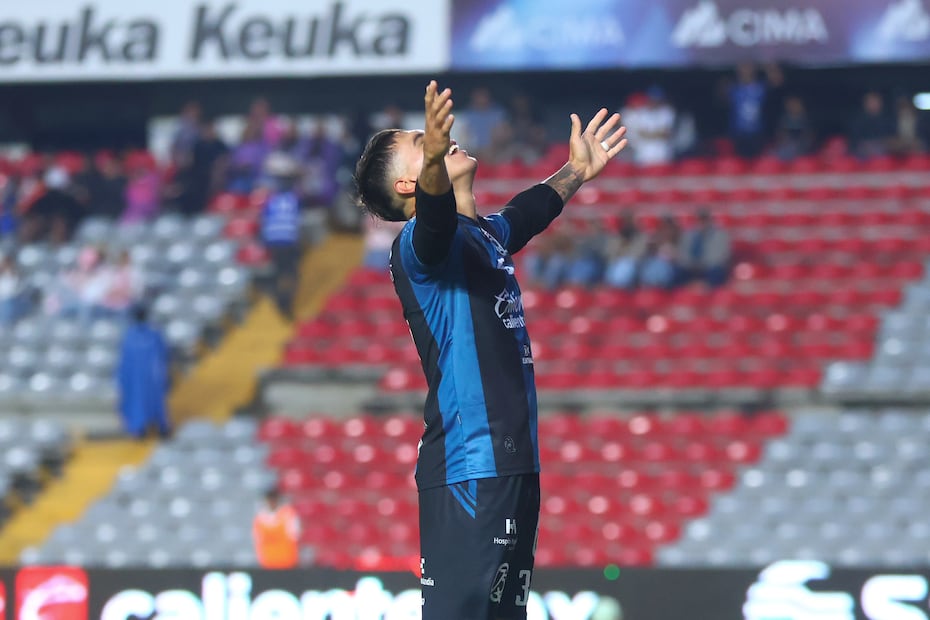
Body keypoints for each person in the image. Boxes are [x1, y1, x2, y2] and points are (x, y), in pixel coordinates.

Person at [354, 80, 627, 619]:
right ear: (412, 181)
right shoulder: (418, 247)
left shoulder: (482, 236)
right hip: (469, 465)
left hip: (513, 465)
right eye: (421, 141)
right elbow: (432, 217)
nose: (439, 138)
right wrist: (435, 158)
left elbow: (526, 213)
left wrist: (575, 170)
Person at [116, 305, 171, 439]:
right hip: (139, 377)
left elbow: (163, 355)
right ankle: (140, 428)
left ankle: (159, 426)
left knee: (153, 401)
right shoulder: (131, 336)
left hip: (151, 377)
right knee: (138, 401)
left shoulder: (152, 334)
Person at [680, 208, 731, 288]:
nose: (702, 222)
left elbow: (722, 256)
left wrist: (704, 264)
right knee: (677, 273)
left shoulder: (720, 235)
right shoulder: (689, 235)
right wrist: (691, 263)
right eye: (700, 219)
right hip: (691, 267)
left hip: (710, 267)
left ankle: (713, 295)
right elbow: (683, 253)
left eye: (704, 219)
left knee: (717, 273)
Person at [252, 488, 300, 569]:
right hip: (267, 563)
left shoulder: (288, 515)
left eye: (274, 499)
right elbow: (257, 539)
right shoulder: (260, 518)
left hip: (287, 562)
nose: (271, 502)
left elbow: (295, 535)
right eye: (269, 499)